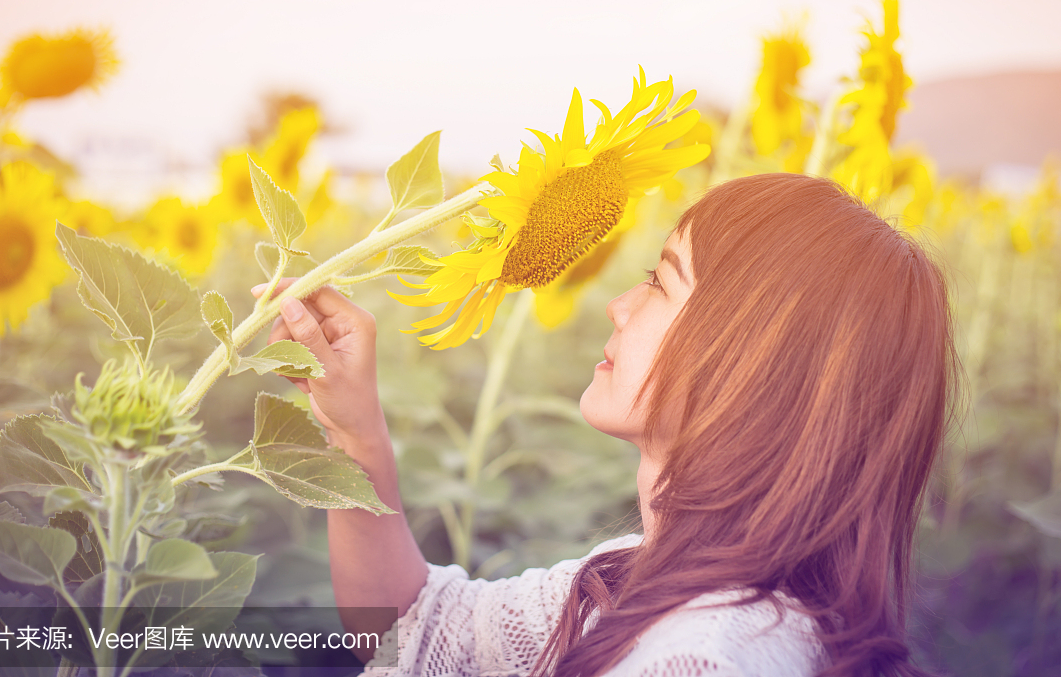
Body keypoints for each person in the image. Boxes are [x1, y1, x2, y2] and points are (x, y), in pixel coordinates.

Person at [251, 172, 963, 677]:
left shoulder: (704, 657)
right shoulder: (641, 579)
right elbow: (416, 627)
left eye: (661, 283)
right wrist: (355, 433)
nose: (619, 304)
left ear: (754, 362)